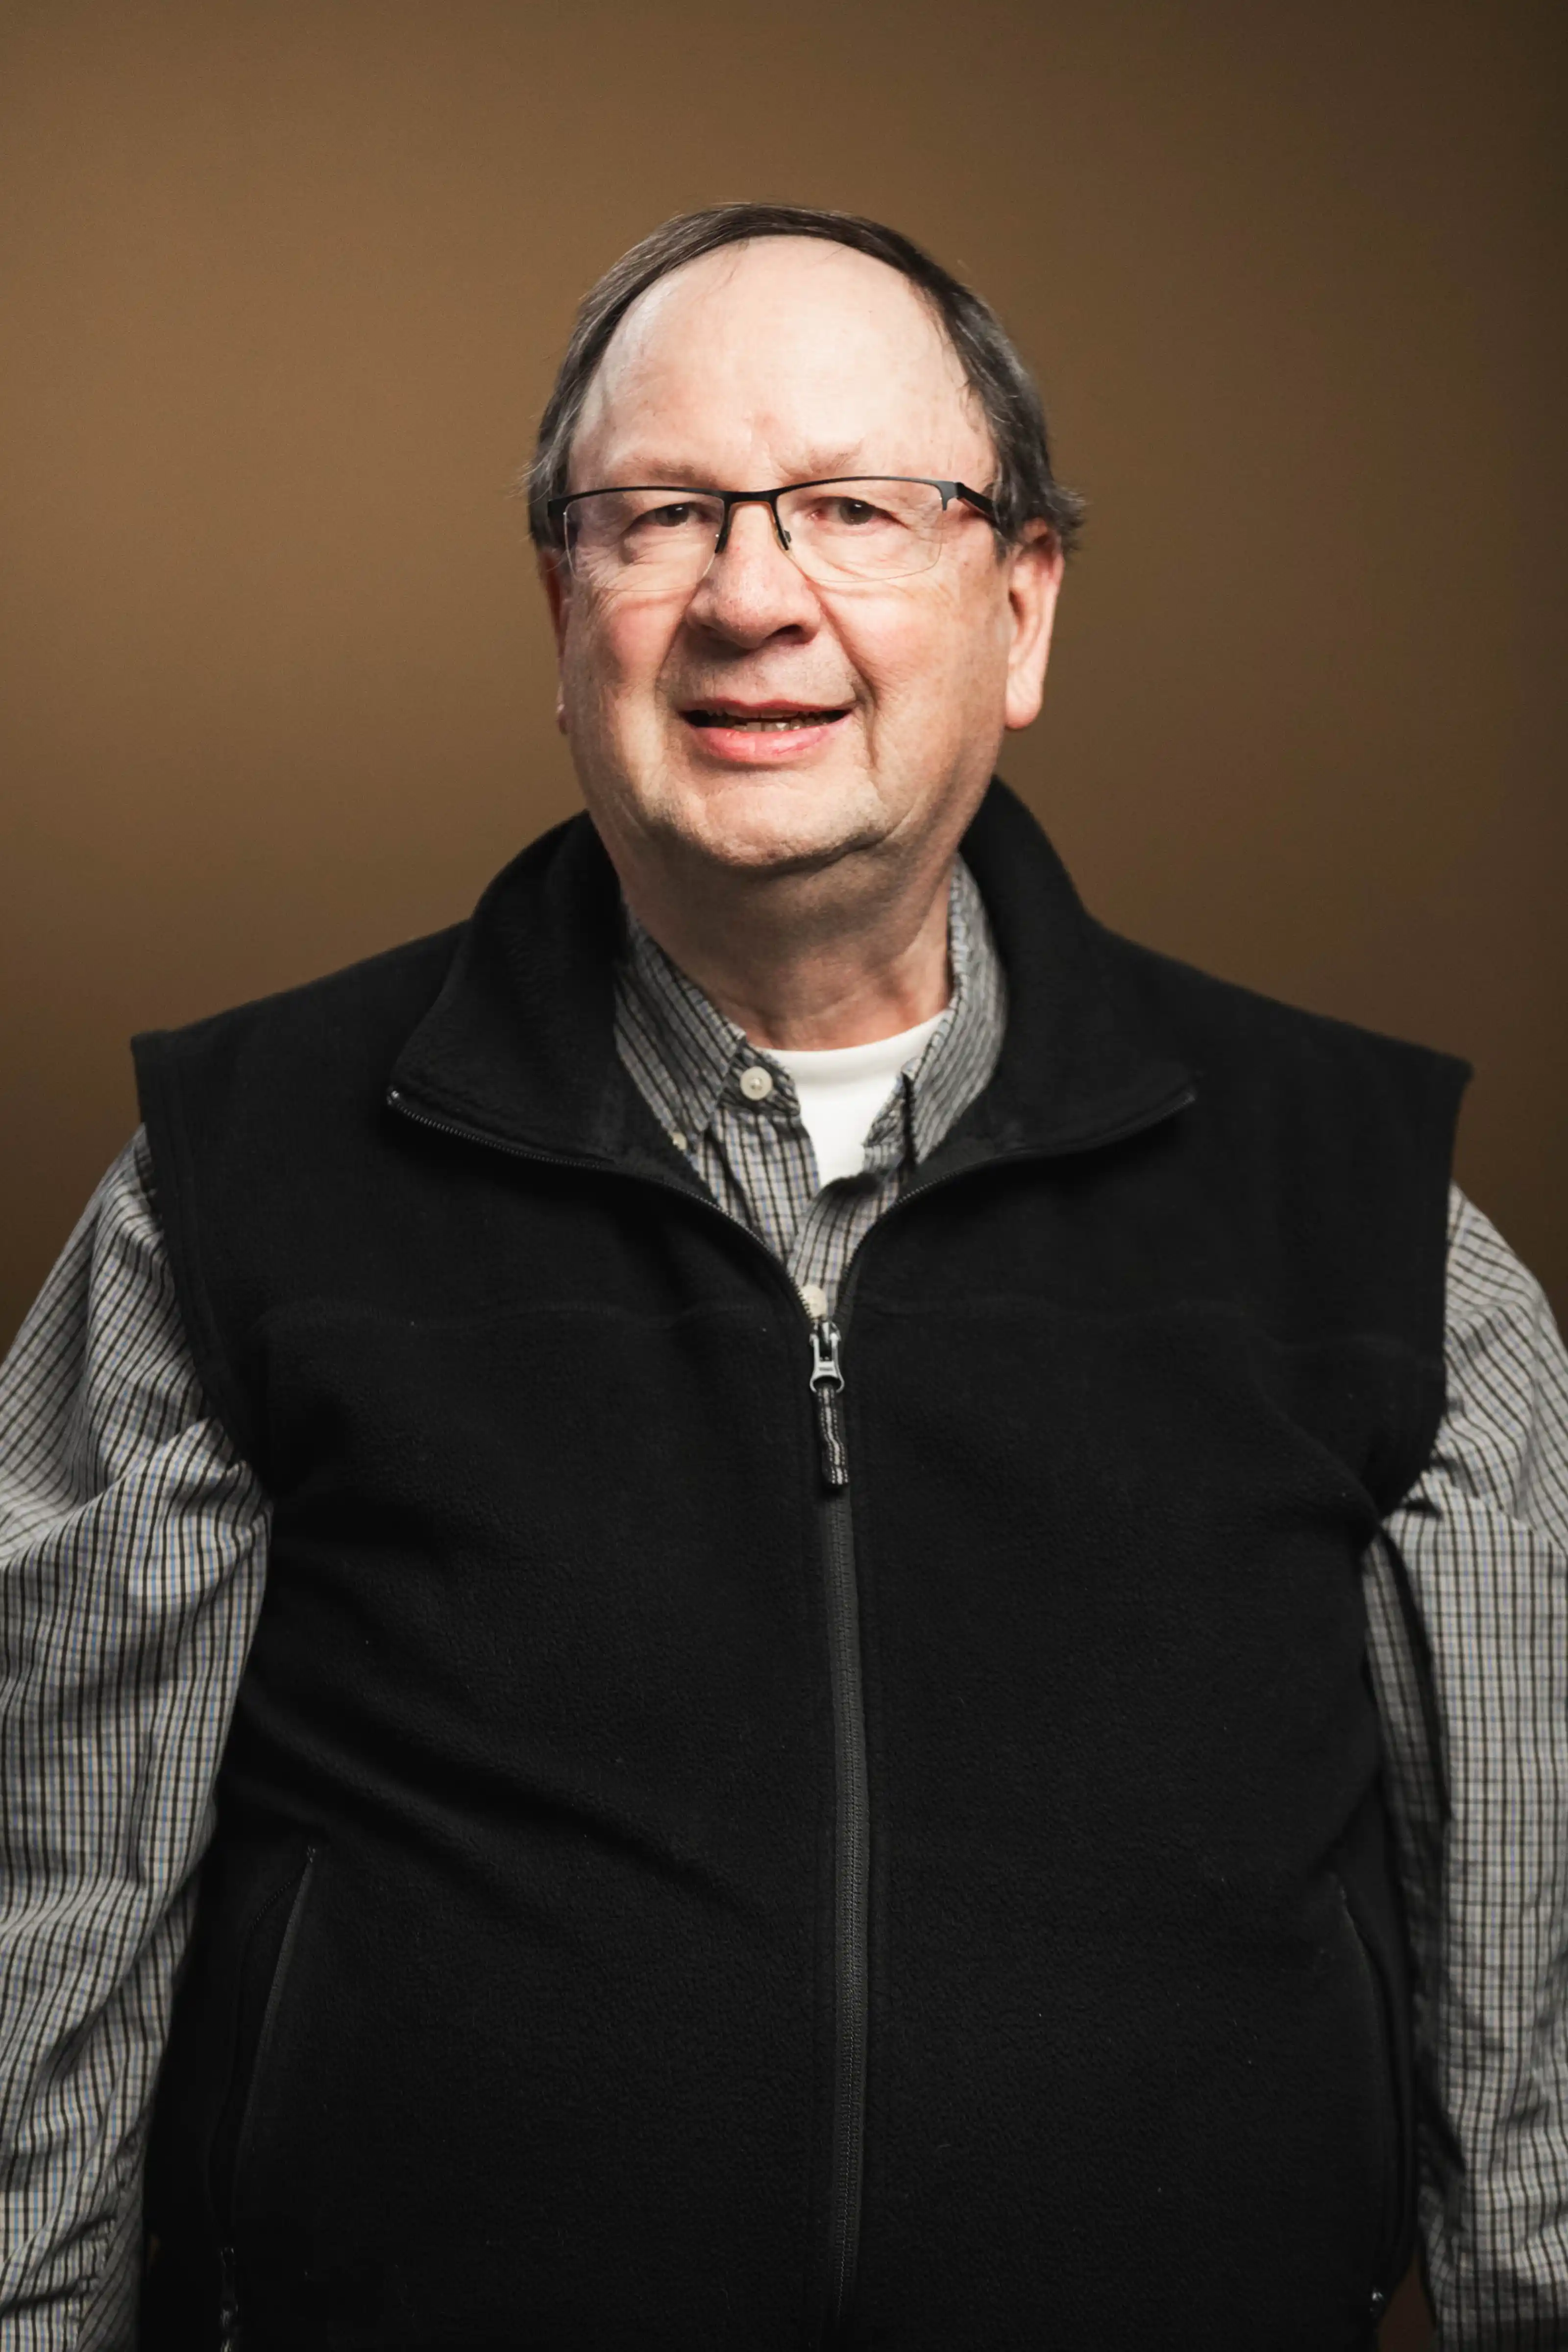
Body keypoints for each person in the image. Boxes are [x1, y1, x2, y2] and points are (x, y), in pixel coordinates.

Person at [1, 202, 1565, 2352]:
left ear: (1018, 611)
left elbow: (1535, 1993)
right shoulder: (227, 1186)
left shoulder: (1373, 1219)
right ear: (562, 610)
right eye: (659, 518)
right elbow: (42, 1934)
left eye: (852, 507)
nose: (752, 597)